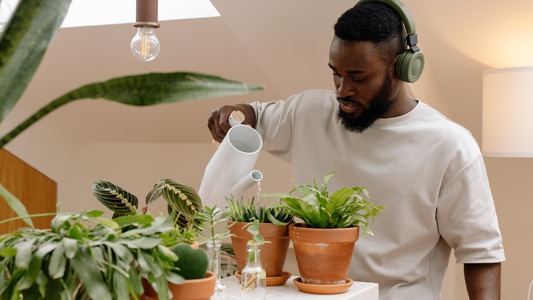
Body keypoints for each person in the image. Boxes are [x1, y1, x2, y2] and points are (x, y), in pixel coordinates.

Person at [207, 1, 505, 299]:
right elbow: (254, 116)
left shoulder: (450, 145)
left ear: (402, 69)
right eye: (336, 73)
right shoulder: (309, 111)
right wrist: (236, 114)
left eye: (359, 78)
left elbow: (481, 253)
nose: (342, 90)